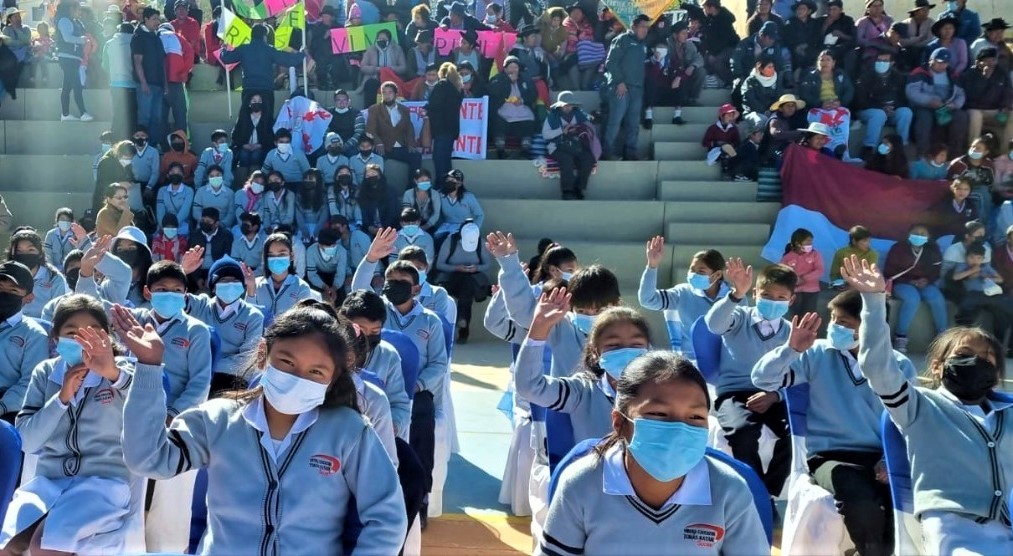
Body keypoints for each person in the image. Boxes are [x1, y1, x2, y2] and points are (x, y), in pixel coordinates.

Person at [117, 303, 408, 554]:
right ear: (262, 356)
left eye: (316, 371)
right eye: (287, 362)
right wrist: (148, 367)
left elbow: (388, 518)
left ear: (332, 379)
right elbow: (148, 459)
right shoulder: (218, 419)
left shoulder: (349, 431)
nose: (298, 378)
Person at [842, 255, 1013, 554]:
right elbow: (878, 367)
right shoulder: (918, 407)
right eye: (964, 355)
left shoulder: (1007, 412)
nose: (975, 362)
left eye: (986, 358)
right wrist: (873, 301)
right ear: (937, 366)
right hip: (954, 529)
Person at [539, 350, 768, 555]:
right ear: (619, 422)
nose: (679, 430)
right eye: (658, 414)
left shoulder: (729, 490)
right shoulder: (582, 484)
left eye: (695, 417)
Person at [752, 290, 916, 556]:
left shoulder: (898, 365)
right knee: (857, 496)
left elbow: (906, 422)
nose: (834, 327)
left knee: (903, 504)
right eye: (833, 319)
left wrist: (888, 460)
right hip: (829, 456)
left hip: (880, 456)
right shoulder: (816, 353)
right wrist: (791, 349)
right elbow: (762, 379)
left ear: (871, 326)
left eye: (844, 322)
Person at [0, 295, 136, 554]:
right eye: (72, 333)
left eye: (92, 331)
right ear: (56, 338)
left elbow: (148, 406)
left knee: (45, 546)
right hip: (49, 482)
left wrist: (112, 374)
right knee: (7, 544)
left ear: (106, 336)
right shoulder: (45, 373)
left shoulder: (122, 370)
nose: (82, 340)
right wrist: (61, 398)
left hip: (102, 484)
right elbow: (26, 440)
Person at [350, 230, 448, 521]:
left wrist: (417, 385)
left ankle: (420, 495)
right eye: (390, 282)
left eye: (402, 283)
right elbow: (357, 291)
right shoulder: (378, 311)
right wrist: (371, 258)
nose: (395, 287)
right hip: (372, 387)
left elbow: (439, 364)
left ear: (416, 288)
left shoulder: (430, 322)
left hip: (414, 390)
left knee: (422, 420)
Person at [704, 258, 794, 501]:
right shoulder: (740, 317)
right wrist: (736, 294)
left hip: (773, 396)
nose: (773, 301)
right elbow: (713, 325)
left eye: (781, 297)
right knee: (743, 433)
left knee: (795, 436)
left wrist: (775, 395)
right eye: (766, 295)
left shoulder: (791, 332)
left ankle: (767, 493)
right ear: (755, 293)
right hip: (735, 393)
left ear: (791, 300)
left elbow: (799, 373)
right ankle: (754, 491)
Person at [180, 254, 264, 390]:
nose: (230, 284)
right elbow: (173, 298)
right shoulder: (201, 305)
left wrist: (208, 365)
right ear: (213, 287)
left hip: (231, 378)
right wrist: (182, 271)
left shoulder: (253, 316)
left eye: (235, 280)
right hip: (195, 374)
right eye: (224, 280)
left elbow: (247, 359)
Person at [639, 237, 731, 360]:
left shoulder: (734, 297)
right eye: (692, 269)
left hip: (725, 362)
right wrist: (652, 265)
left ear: (717, 274)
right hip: (690, 361)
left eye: (701, 271)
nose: (693, 274)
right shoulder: (682, 293)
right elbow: (648, 300)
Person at [337, 290, 411, 439]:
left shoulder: (388, 356)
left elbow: (400, 406)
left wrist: (392, 426)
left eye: (375, 331)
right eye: (360, 330)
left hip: (376, 433)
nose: (366, 337)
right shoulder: (329, 351)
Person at [219, 23, 305, 120]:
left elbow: (226, 58)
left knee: (247, 120)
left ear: (252, 35)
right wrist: (302, 54)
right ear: (264, 36)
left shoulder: (243, 49)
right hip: (266, 90)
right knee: (267, 121)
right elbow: (289, 61)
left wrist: (223, 49)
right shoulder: (269, 50)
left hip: (249, 89)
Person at [883, 223, 946, 353]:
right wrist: (910, 281)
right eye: (916, 233)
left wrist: (927, 280)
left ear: (928, 237)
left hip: (925, 283)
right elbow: (889, 272)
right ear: (909, 234)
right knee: (912, 298)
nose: (919, 236)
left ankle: (943, 337)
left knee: (936, 297)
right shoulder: (898, 248)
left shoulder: (933, 250)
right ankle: (900, 336)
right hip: (902, 283)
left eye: (923, 234)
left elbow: (936, 271)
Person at [0, 260, 48, 422]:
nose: (3, 294)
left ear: (29, 298)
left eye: (13, 290)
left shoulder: (34, 334)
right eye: (0, 287)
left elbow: (31, 382)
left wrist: (2, 405)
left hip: (8, 409)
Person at [434, 220, 491, 343]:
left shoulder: (481, 243)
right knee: (465, 287)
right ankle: (462, 326)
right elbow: (440, 264)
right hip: (451, 277)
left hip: (472, 278)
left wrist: (476, 268)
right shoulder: (450, 241)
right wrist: (456, 268)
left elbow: (487, 264)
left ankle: (463, 324)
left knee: (467, 286)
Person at [602, 15, 650, 161]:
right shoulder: (622, 39)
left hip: (637, 89)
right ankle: (607, 152)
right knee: (615, 121)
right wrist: (619, 81)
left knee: (634, 123)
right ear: (633, 27)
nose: (645, 30)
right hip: (620, 87)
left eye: (647, 27)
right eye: (642, 26)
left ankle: (630, 153)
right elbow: (610, 62)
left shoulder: (643, 44)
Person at [907, 46, 969, 158]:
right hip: (925, 106)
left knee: (961, 116)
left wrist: (955, 104)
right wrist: (930, 101)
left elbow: (961, 94)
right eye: (939, 62)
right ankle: (922, 153)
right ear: (931, 60)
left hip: (947, 106)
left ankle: (954, 154)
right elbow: (912, 92)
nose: (942, 65)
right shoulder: (919, 72)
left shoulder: (952, 75)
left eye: (945, 63)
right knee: (924, 117)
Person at [856, 49, 913, 153]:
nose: (881, 63)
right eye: (879, 60)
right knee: (879, 114)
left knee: (906, 112)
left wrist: (893, 107)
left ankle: (901, 147)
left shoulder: (898, 77)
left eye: (885, 61)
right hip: (869, 111)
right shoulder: (866, 76)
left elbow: (903, 99)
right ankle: (868, 148)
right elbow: (861, 101)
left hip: (891, 111)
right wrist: (881, 107)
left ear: (892, 63)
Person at [542, 91, 595, 200]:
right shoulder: (552, 117)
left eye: (570, 105)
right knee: (567, 160)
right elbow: (546, 134)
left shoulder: (579, 115)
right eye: (565, 105)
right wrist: (562, 130)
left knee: (588, 158)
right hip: (557, 146)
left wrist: (578, 129)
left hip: (576, 145)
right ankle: (567, 191)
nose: (568, 107)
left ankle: (579, 188)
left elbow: (589, 129)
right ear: (560, 105)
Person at [248, 232, 313, 317]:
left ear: (291, 256)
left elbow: (303, 320)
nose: (276, 259)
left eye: (282, 254)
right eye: (271, 255)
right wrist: (250, 290)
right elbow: (247, 317)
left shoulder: (301, 287)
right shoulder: (255, 284)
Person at [366, 82, 422, 176]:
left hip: (401, 146)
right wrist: (378, 142)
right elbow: (370, 129)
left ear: (396, 94)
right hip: (384, 147)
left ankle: (413, 184)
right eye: (384, 93)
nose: (387, 95)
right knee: (375, 160)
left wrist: (411, 144)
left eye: (390, 92)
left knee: (416, 156)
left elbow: (409, 128)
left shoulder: (404, 110)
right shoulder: (374, 109)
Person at [488, 56, 538, 159]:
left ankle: (525, 149)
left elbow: (533, 94)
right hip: (503, 110)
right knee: (497, 121)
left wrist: (523, 100)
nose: (513, 70)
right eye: (510, 67)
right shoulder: (498, 78)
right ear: (505, 69)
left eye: (515, 67)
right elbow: (493, 92)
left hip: (521, 110)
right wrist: (507, 81)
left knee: (529, 121)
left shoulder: (526, 79)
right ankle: (500, 149)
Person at [963, 48, 1013, 148]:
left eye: (993, 60)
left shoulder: (1002, 73)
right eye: (986, 60)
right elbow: (971, 97)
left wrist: (1005, 106)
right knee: (975, 115)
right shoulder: (970, 74)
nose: (990, 63)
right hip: (976, 110)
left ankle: (1004, 152)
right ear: (978, 62)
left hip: (995, 111)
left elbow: (1008, 92)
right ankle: (972, 150)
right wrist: (984, 78)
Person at [425, 62, 464, 182]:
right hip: (452, 129)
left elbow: (435, 104)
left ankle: (441, 183)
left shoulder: (441, 85)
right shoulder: (458, 88)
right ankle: (450, 183)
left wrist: (426, 108)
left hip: (441, 127)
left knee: (438, 158)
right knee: (446, 158)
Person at [54, 0, 93, 121]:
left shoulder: (72, 21)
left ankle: (65, 114)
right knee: (76, 84)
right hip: (67, 57)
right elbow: (67, 38)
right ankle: (83, 112)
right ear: (71, 8)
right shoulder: (64, 20)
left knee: (67, 86)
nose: (79, 12)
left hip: (73, 57)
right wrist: (82, 40)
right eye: (78, 9)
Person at [131, 8, 165, 143]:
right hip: (145, 84)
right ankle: (142, 145)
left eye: (158, 19)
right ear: (146, 19)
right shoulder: (138, 36)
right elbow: (137, 62)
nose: (157, 22)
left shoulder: (156, 37)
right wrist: (143, 83)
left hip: (158, 84)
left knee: (157, 118)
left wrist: (165, 84)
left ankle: (153, 146)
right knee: (144, 117)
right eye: (154, 19)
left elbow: (162, 62)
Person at [158, 21, 193, 139]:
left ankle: (162, 144)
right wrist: (184, 72)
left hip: (157, 83)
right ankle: (183, 143)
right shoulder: (178, 37)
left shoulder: (154, 36)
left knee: (160, 117)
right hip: (176, 81)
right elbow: (190, 52)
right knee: (180, 116)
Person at [946, 134, 995, 220]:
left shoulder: (988, 165)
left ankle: (980, 223)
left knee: (985, 194)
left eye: (978, 148)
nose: (974, 150)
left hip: (978, 192)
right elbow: (950, 183)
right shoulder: (959, 164)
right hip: (958, 191)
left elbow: (990, 184)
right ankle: (980, 223)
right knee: (983, 194)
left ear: (986, 152)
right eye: (972, 147)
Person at [780, 228, 824, 320]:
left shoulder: (815, 254)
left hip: (811, 290)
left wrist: (804, 278)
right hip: (794, 290)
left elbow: (819, 270)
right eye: (807, 242)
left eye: (811, 242)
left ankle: (808, 329)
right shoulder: (787, 257)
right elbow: (783, 271)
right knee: (795, 316)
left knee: (808, 316)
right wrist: (795, 280)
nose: (810, 244)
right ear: (797, 243)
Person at [359, 29, 408, 106]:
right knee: (370, 84)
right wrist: (376, 69)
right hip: (375, 77)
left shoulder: (397, 49)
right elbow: (363, 67)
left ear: (389, 40)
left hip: (392, 78)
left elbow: (403, 68)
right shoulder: (371, 49)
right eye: (379, 39)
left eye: (384, 39)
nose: (381, 41)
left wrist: (391, 69)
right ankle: (370, 109)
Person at [699, 0, 741, 87]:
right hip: (719, 48)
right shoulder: (710, 18)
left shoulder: (724, 19)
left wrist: (713, 53)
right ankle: (715, 80)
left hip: (732, 48)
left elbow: (724, 41)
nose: (703, 10)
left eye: (705, 8)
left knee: (716, 60)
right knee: (704, 59)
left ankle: (731, 82)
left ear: (712, 7)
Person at [187, 208, 231, 288]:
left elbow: (226, 260)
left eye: (208, 221)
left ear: (216, 223)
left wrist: (213, 276)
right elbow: (190, 258)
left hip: (217, 270)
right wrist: (197, 279)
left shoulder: (226, 236)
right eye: (203, 220)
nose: (204, 223)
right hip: (197, 271)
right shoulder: (195, 235)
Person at [231, 93, 275, 175]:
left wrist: (259, 145)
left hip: (261, 147)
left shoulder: (267, 118)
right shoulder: (243, 117)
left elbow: (271, 137)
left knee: (256, 155)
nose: (257, 103)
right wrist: (243, 145)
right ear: (249, 103)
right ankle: (242, 180)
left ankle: (256, 178)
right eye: (254, 101)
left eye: (259, 101)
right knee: (243, 155)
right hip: (244, 146)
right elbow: (235, 135)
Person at [436, 169, 484, 242]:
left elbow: (480, 215)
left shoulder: (468, 197)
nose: (449, 182)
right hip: (446, 227)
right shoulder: (439, 195)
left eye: (452, 180)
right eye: (448, 180)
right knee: (437, 238)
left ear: (459, 183)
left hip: (463, 227)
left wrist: (473, 230)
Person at [759, 93, 806, 165]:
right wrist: (798, 133)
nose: (791, 108)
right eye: (788, 106)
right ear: (780, 108)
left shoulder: (793, 119)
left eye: (793, 106)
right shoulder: (774, 120)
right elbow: (776, 134)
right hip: (773, 155)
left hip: (787, 152)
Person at [305, 228, 347, 306]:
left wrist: (334, 288)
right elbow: (312, 275)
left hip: (334, 276)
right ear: (320, 245)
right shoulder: (311, 251)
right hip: (318, 276)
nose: (331, 247)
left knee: (341, 297)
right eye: (328, 246)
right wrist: (324, 287)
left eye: (333, 245)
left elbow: (340, 274)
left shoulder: (341, 251)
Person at [741, 57, 785, 129]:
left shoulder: (777, 80)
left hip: (772, 110)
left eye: (773, 66)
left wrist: (772, 110)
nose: (772, 69)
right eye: (769, 67)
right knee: (762, 120)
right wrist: (764, 111)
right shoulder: (751, 81)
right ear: (761, 69)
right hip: (753, 111)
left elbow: (779, 97)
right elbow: (751, 99)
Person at [702, 104, 742, 180]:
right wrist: (717, 143)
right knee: (726, 149)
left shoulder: (733, 128)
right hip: (715, 152)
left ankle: (732, 172)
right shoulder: (713, 128)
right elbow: (705, 142)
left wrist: (731, 145)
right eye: (728, 115)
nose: (730, 117)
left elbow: (738, 142)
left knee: (729, 150)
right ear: (722, 116)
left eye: (732, 115)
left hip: (730, 151)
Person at [358, 164, 400, 234]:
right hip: (369, 229)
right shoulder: (362, 193)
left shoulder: (390, 191)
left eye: (373, 173)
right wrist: (369, 227)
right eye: (368, 175)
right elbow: (363, 213)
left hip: (389, 228)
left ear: (379, 175)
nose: (371, 176)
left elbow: (392, 212)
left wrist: (384, 227)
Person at [783, 0, 822, 75]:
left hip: (810, 49)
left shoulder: (815, 23)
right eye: (798, 9)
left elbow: (817, 37)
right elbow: (787, 39)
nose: (800, 11)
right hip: (794, 50)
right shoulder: (790, 23)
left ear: (809, 11)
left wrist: (806, 45)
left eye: (803, 9)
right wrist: (796, 47)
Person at [157, 162, 195, 237]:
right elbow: (160, 211)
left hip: (182, 225)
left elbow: (185, 211)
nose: (175, 174)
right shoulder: (162, 190)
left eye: (179, 172)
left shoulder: (189, 191)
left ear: (183, 175)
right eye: (173, 172)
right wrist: (163, 226)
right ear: (168, 175)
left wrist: (172, 227)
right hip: (164, 226)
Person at [327, 89, 366, 159]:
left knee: (353, 154)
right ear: (334, 101)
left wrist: (345, 146)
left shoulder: (356, 113)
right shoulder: (328, 113)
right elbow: (324, 131)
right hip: (331, 143)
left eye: (344, 100)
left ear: (348, 101)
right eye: (338, 100)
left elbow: (359, 133)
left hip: (350, 144)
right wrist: (331, 144)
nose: (341, 102)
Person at [192, 165, 234, 231]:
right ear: (208, 178)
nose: (215, 178)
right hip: (203, 224)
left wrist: (221, 224)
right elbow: (196, 211)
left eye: (218, 175)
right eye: (212, 176)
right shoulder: (200, 191)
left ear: (222, 176)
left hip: (223, 226)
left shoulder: (230, 193)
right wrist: (206, 222)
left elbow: (231, 213)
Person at [295, 170, 329, 244]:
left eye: (310, 179)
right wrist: (304, 230)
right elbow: (298, 215)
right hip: (303, 226)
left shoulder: (324, 195)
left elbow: (324, 215)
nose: (307, 181)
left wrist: (318, 230)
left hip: (319, 226)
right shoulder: (299, 195)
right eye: (305, 179)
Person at [43, 208, 79, 272]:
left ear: (72, 222)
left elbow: (77, 255)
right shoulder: (51, 234)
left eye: (68, 220)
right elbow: (47, 254)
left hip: (70, 269)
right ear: (57, 221)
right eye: (62, 219)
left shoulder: (76, 235)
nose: (65, 222)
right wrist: (52, 269)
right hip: (53, 269)